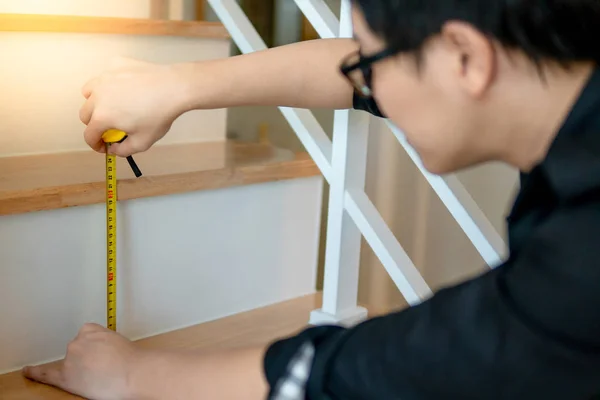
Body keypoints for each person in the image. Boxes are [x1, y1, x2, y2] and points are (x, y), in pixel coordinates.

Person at [22, 0, 600, 398]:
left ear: (467, 58)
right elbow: (345, 70)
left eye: (372, 62)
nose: (365, 84)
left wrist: (131, 376)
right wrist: (177, 86)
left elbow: (394, 368)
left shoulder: (580, 257)